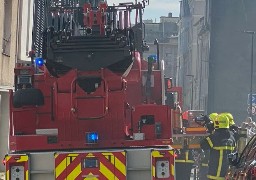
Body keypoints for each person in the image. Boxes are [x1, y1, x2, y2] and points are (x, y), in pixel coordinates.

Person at [200, 114, 236, 180]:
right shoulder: (232, 138)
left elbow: (203, 145)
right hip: (227, 176)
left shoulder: (214, 137)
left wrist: (211, 131)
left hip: (214, 175)